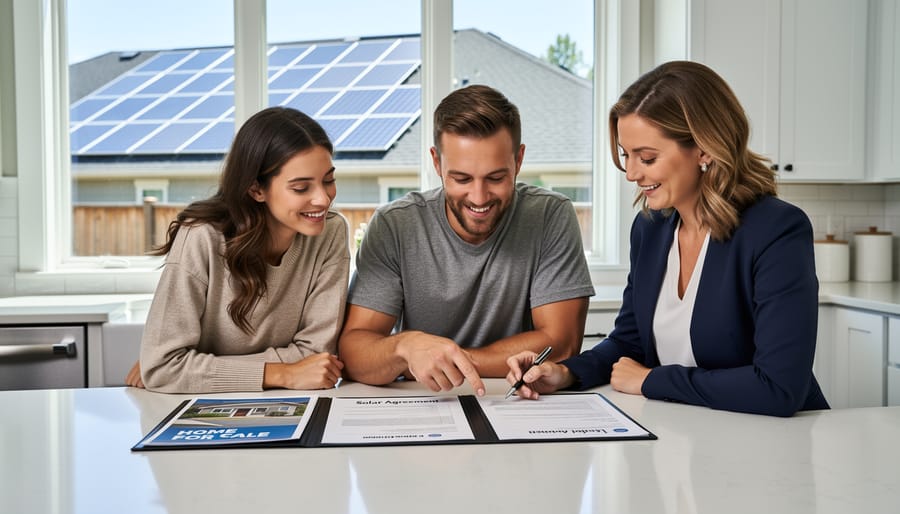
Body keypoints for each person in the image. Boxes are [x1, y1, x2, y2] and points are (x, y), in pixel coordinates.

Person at [506, 61, 829, 417]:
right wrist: (566, 373)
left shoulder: (776, 230)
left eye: (647, 157)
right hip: (688, 438)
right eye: (627, 155)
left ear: (705, 149)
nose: (630, 173)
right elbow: (629, 343)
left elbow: (778, 388)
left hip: (774, 446)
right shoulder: (650, 228)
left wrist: (651, 381)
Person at [339, 84, 595, 395]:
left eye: (496, 178)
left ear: (519, 159)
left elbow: (562, 344)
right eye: (461, 179)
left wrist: (447, 359)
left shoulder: (550, 216)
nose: (479, 197)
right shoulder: (395, 225)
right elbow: (354, 354)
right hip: (424, 401)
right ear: (437, 163)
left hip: (518, 400)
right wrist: (406, 346)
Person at [125, 106, 349, 393]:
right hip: (194, 412)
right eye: (301, 187)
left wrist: (195, 370)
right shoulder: (201, 237)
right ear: (256, 189)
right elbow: (164, 367)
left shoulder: (331, 233)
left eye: (328, 180)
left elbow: (316, 357)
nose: (323, 199)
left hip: (286, 404)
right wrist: (283, 374)